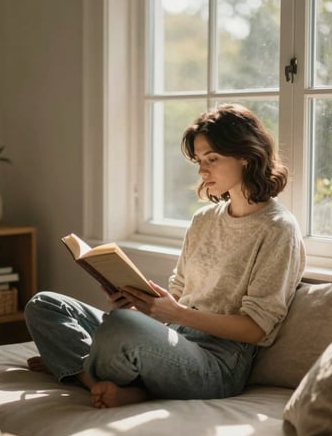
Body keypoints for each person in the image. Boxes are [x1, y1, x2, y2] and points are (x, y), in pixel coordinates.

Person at [25, 103, 306, 408]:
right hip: (171, 336)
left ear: (247, 157)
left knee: (121, 326)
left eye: (212, 159)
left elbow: (256, 328)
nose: (202, 170)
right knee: (44, 306)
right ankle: (90, 377)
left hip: (218, 362)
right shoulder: (204, 220)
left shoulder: (278, 229)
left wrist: (176, 315)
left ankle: (79, 367)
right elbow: (178, 296)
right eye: (199, 160)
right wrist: (139, 303)